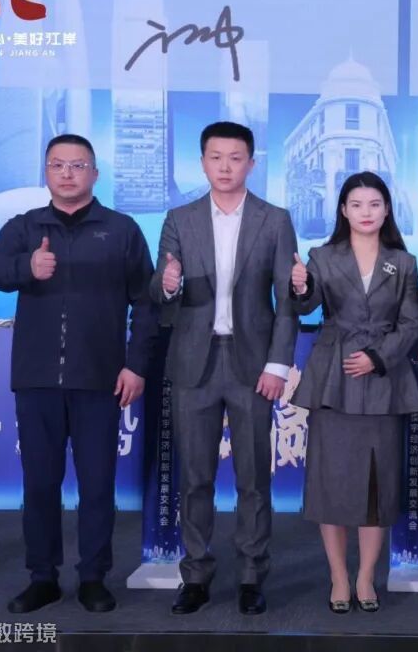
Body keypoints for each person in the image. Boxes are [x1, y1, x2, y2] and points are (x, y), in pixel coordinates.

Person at [0, 133, 157, 614]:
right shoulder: (25, 226)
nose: (67, 173)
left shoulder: (121, 230)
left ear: (94, 173)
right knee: (40, 483)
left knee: (97, 485)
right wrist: (27, 266)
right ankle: (43, 577)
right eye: (58, 164)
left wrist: (136, 365)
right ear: (46, 172)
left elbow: (146, 302)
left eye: (78, 165)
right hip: (36, 377)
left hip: (100, 378)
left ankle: (93, 577)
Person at [151, 121, 299, 616]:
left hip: (253, 363)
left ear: (251, 164)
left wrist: (278, 364)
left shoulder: (274, 220)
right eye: (215, 157)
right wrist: (169, 283)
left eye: (235, 158)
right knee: (195, 477)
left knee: (253, 478)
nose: (225, 167)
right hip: (194, 361)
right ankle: (195, 575)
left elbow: (286, 300)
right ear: (202, 163)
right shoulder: (180, 219)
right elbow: (159, 291)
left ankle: (252, 575)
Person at [289, 172, 418, 614]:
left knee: (376, 487)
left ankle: (366, 576)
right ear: (343, 210)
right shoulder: (321, 256)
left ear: (387, 210)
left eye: (375, 204)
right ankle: (339, 577)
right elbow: (306, 305)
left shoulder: (402, 263)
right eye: (357, 204)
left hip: (383, 381)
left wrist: (378, 357)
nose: (366, 212)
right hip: (334, 378)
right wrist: (300, 285)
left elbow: (411, 324)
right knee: (331, 484)